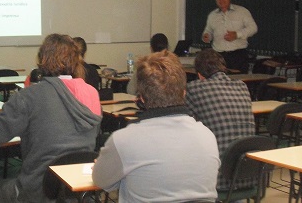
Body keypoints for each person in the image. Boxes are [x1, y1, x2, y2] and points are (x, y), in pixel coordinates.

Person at [0, 34, 102, 203]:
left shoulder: (30, 96)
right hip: (78, 191)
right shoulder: (92, 94)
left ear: (43, 59)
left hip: (37, 192)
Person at [92, 50, 220, 203]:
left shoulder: (124, 140)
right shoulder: (207, 135)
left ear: (141, 99)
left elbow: (100, 181)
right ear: (184, 93)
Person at [185, 48, 256, 190]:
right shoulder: (242, 86)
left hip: (217, 178)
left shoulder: (194, 88)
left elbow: (186, 127)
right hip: (249, 174)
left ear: (199, 75)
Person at [202, 0, 257, 73]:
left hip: (238, 56)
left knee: (238, 82)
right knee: (220, 84)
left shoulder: (242, 11)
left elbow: (253, 28)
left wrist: (237, 35)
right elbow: (208, 30)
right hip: (218, 56)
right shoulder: (212, 15)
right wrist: (207, 36)